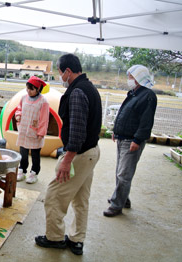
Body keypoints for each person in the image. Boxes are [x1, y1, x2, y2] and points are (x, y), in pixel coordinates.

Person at [35, 54, 102, 255]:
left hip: (80, 154)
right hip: (92, 151)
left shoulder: (77, 92)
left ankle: (55, 238)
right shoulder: (89, 87)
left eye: (59, 71)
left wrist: (67, 160)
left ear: (68, 72)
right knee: (81, 199)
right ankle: (76, 240)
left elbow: (77, 130)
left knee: (54, 196)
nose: (58, 75)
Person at [103, 65, 157, 217]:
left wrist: (138, 139)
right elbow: (123, 113)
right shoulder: (134, 93)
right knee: (120, 171)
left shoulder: (148, 96)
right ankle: (123, 199)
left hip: (132, 140)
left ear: (139, 78)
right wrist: (116, 131)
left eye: (131, 77)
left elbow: (146, 122)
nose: (129, 80)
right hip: (122, 137)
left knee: (123, 174)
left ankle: (116, 206)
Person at [15, 76, 50, 184]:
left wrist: (41, 132)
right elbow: (19, 108)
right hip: (24, 130)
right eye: (27, 88)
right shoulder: (23, 98)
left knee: (35, 154)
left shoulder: (43, 101)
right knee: (23, 153)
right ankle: (22, 170)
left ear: (37, 89)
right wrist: (18, 115)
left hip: (35, 131)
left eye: (31, 89)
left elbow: (44, 119)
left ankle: (34, 173)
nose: (28, 91)